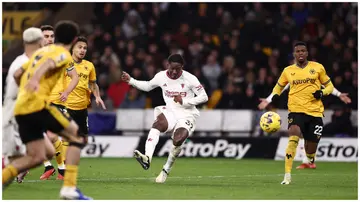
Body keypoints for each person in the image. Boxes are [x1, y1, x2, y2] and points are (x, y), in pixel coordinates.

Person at [2, 20, 92, 199]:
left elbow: (17, 74)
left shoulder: (39, 52)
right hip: (38, 106)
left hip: (21, 109)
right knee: (78, 137)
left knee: (36, 157)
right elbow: (50, 64)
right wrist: (36, 79)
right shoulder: (62, 54)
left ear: (56, 36)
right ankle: (69, 188)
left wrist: (27, 87)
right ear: (74, 40)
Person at [121, 53, 208, 183]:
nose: (173, 72)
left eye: (177, 69)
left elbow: (204, 97)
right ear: (167, 65)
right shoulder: (161, 76)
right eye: (171, 68)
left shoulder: (190, 78)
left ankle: (165, 169)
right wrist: (131, 80)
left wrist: (184, 101)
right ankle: (147, 158)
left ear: (182, 67)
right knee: (158, 124)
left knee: (178, 140)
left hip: (187, 114)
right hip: (171, 111)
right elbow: (148, 86)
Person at [269, 41, 334, 185]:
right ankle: (287, 175)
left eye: (303, 51)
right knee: (294, 134)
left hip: (315, 112)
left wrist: (322, 92)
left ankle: (310, 158)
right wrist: (273, 96)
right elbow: (278, 87)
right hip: (296, 110)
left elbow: (330, 86)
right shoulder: (288, 71)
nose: (300, 53)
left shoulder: (317, 68)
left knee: (310, 149)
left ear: (307, 53)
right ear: (294, 54)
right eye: (297, 51)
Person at [258, 79, 352, 169]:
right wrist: (268, 100)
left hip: (313, 110)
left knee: (311, 138)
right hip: (297, 110)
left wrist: (339, 94)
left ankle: (309, 160)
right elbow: (281, 87)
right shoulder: (291, 72)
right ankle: (306, 161)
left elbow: (327, 84)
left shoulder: (315, 71)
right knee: (297, 133)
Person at [2, 27, 55, 183]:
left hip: (27, 114)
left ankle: (15, 169)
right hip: (16, 116)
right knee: (19, 161)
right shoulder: (26, 63)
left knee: (49, 151)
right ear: (39, 41)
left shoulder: (31, 60)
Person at [40, 24, 78, 180]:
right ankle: (56, 169)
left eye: (51, 36)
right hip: (40, 102)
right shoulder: (36, 56)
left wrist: (67, 92)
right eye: (46, 36)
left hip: (57, 102)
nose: (49, 39)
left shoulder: (62, 55)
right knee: (40, 136)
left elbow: (74, 77)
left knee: (50, 136)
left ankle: (58, 168)